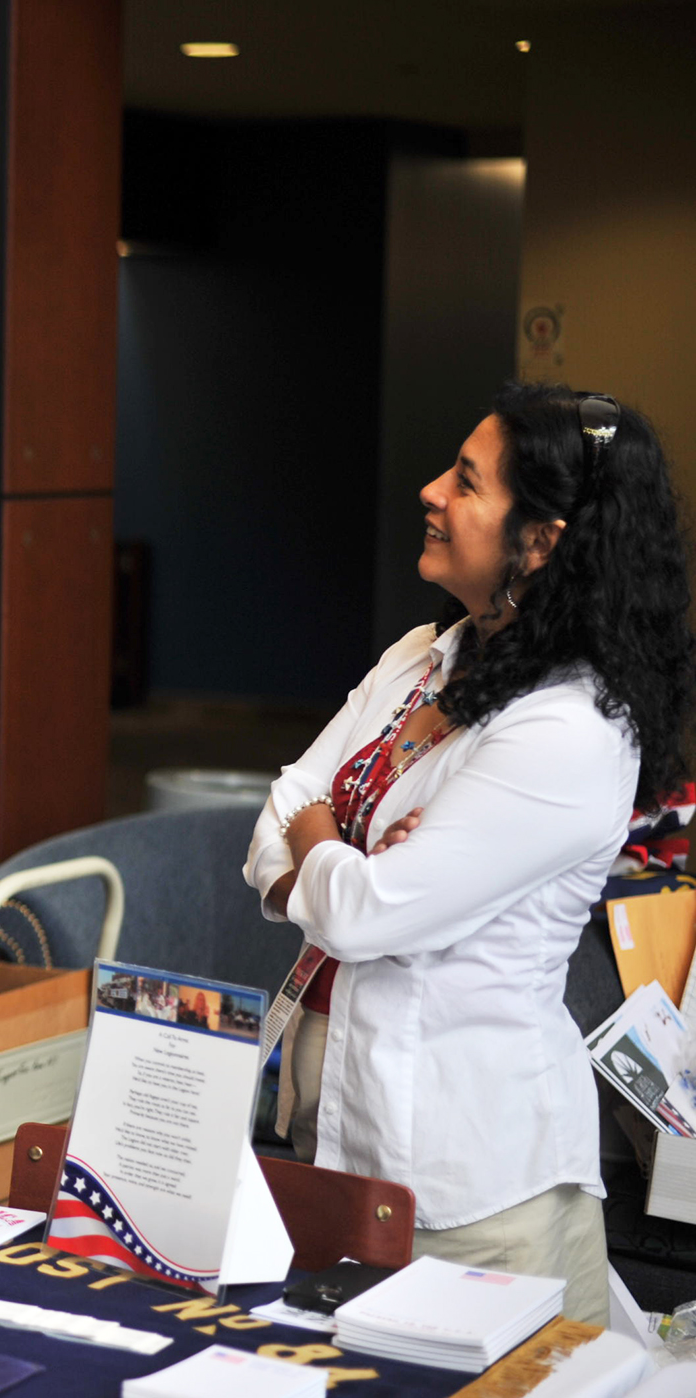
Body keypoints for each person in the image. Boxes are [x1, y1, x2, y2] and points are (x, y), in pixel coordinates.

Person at [244, 382, 696, 1325]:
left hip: (471, 1181)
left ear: (543, 541)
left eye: (467, 481)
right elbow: (282, 801)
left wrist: (328, 849)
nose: (431, 492)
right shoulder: (424, 654)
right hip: (330, 1137)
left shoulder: (572, 728)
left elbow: (362, 914)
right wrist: (339, 855)